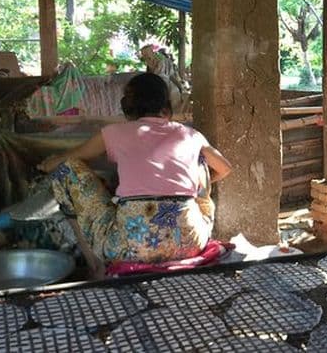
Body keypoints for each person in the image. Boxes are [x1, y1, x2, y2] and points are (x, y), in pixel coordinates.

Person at [38, 72, 232, 278]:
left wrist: (46, 164)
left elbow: (70, 157)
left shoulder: (113, 132)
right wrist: (192, 186)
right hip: (191, 243)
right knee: (200, 160)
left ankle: (95, 265)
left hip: (127, 248)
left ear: (127, 106)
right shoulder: (191, 135)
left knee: (65, 169)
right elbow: (225, 168)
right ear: (165, 106)